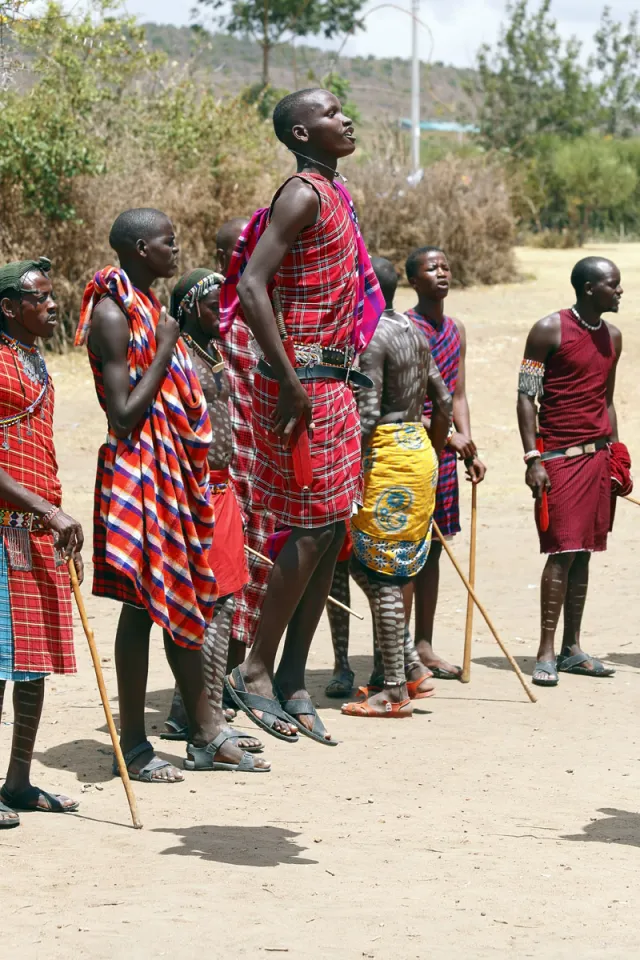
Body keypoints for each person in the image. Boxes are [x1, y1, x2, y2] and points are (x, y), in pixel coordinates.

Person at [76, 208, 263, 780]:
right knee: (141, 610)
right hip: (137, 474)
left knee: (184, 601)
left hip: (172, 474)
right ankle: (133, 744)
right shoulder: (113, 316)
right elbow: (126, 415)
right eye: (167, 242)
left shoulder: (151, 308)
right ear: (138, 248)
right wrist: (164, 347)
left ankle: (206, 733)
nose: (175, 249)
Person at [221, 88, 384, 744]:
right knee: (312, 526)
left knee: (332, 526)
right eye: (331, 112)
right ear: (301, 130)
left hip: (329, 377)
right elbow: (251, 286)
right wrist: (289, 382)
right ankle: (254, 672)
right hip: (301, 381)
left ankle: (292, 677)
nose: (346, 117)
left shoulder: (334, 191)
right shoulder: (301, 193)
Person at [160, 269, 269, 770]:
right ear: (186, 309)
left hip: (224, 491)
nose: (220, 312)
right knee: (207, 604)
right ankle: (205, 726)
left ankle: (199, 713)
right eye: (210, 305)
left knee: (225, 601)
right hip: (196, 492)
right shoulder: (177, 356)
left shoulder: (214, 351)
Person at [340, 256, 452, 717]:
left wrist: (352, 472)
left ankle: (392, 691)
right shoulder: (413, 331)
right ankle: (409, 664)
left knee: (384, 575)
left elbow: (365, 419)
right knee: (365, 564)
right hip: (417, 449)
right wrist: (433, 451)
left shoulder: (372, 339)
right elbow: (442, 400)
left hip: (385, 456)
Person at [0, 258, 84, 827]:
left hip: (36, 531)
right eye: (40, 298)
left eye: (53, 296)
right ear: (9, 307)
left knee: (32, 664)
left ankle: (18, 782)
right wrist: (46, 509)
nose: (52, 305)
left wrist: (56, 516)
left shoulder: (39, 363)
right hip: (7, 527)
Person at [517, 256, 623, 687]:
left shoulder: (613, 337)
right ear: (587, 288)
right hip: (558, 459)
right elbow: (526, 397)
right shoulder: (548, 330)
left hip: (597, 458)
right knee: (561, 551)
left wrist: (617, 454)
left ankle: (572, 649)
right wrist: (532, 458)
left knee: (584, 552)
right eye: (612, 285)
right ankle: (545, 651)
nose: (619, 291)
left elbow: (607, 399)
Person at [404, 246, 486, 679]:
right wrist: (446, 436)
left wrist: (466, 439)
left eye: (446, 267)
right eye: (431, 268)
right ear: (414, 282)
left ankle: (425, 645)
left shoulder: (456, 330)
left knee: (434, 552)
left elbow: (457, 394)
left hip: (447, 456)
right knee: (407, 552)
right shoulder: (403, 329)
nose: (442, 273)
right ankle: (399, 653)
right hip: (410, 452)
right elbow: (398, 402)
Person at [216, 218, 276, 670]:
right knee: (224, 577)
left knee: (258, 575)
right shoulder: (209, 318)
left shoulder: (271, 314)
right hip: (222, 471)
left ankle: (241, 675)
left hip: (266, 466)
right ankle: (209, 691)